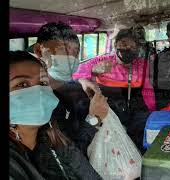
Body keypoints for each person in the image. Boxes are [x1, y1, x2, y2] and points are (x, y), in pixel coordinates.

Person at [9, 51, 103, 180]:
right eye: (22, 84)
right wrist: (95, 118)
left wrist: (95, 118)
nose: (39, 93)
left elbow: (80, 164)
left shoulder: (51, 135)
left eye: (43, 83)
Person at [73, 27, 155, 153]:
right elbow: (75, 71)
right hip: (109, 110)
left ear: (138, 48)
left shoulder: (143, 65)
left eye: (133, 46)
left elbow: (148, 90)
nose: (128, 49)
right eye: (124, 44)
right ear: (116, 44)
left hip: (134, 111)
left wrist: (152, 111)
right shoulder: (102, 61)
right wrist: (91, 71)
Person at [33, 22, 109, 156]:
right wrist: (95, 118)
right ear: (39, 51)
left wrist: (81, 80)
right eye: (63, 49)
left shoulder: (57, 87)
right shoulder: (37, 104)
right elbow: (70, 160)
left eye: (76, 51)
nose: (71, 58)